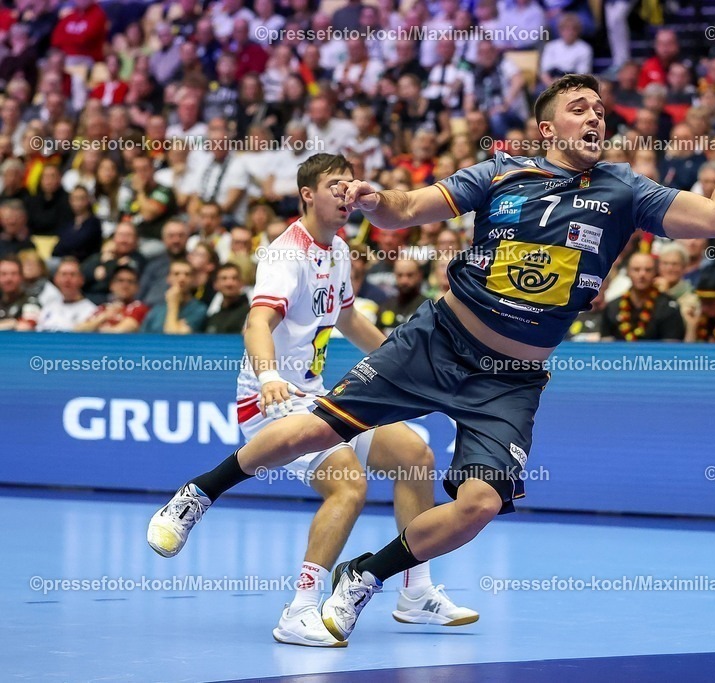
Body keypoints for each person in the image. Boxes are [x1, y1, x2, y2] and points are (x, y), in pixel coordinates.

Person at [146, 74, 715, 644]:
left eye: (601, 110)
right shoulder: (500, 173)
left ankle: (367, 575)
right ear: (548, 129)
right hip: (439, 341)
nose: (595, 116)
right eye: (579, 108)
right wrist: (373, 197)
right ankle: (199, 492)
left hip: (512, 379)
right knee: (314, 427)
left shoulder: (626, 190)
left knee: (480, 506)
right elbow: (408, 209)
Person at [149, 154, 476, 646]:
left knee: (415, 457)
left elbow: (347, 321)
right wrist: (268, 376)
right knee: (348, 486)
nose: (346, 194)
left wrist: (406, 360)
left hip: (316, 395)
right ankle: (299, 609)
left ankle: (415, 591)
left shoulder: (339, 250)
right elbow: (257, 322)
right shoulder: (286, 255)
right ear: (307, 194)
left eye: (350, 185)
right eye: (334, 185)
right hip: (270, 402)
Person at [601, 252, 685, 341]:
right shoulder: (612, 307)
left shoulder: (669, 307)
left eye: (648, 270)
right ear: (628, 272)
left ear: (655, 273)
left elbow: (672, 347)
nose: (642, 274)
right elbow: (605, 345)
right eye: (636, 270)